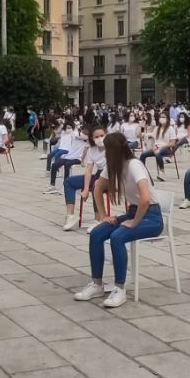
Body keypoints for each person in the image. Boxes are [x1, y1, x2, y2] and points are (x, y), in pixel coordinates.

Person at [74, 132, 162, 310]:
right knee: (98, 233)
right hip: (133, 212)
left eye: (107, 150)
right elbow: (97, 188)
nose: (105, 153)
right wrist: (105, 215)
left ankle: (120, 289)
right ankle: (97, 284)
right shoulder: (113, 165)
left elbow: (145, 199)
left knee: (118, 236)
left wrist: (135, 222)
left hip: (151, 216)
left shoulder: (134, 165)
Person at [62, 126, 109, 231]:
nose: (100, 139)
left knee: (96, 184)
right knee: (69, 182)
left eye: (102, 136)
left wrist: (92, 185)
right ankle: (70, 216)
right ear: (92, 138)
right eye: (96, 137)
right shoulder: (92, 150)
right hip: (98, 174)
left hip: (110, 177)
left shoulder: (112, 147)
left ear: (106, 135)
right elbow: (88, 170)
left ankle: (98, 219)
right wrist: (86, 189)